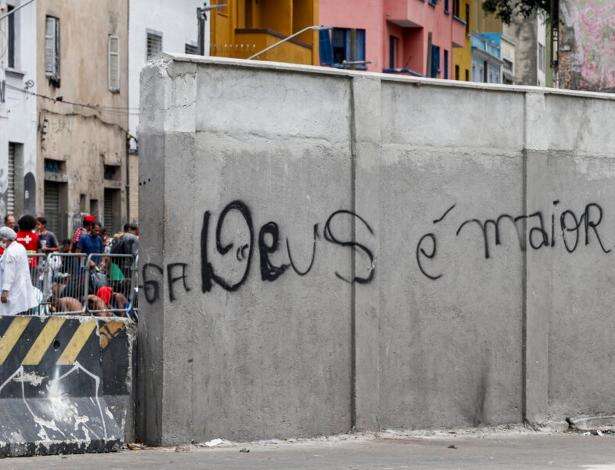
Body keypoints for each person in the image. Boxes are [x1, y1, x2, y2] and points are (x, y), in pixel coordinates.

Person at [0, 227, 38, 315]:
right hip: (21, 290)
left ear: (5, 239)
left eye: (0, 239)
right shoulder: (20, 247)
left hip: (12, 292)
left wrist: (5, 291)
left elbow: (9, 273)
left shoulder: (10, 252)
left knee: (9, 320)